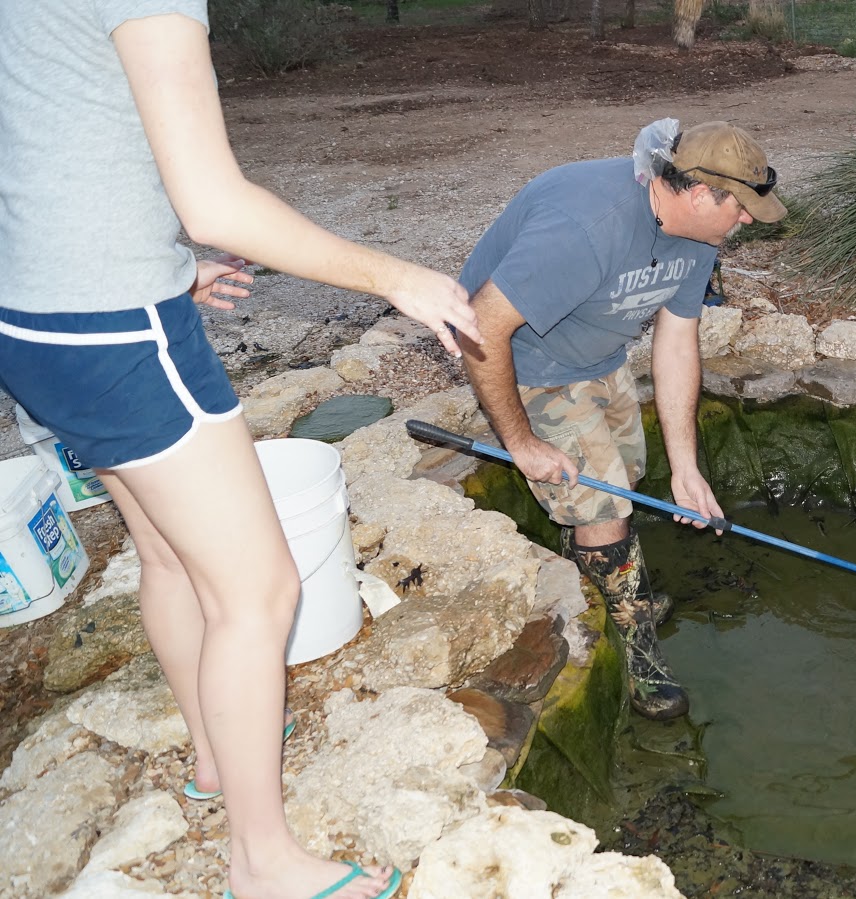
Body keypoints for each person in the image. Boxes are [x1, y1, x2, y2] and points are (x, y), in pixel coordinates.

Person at [0, 6, 479, 899]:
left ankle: (216, 756)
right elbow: (215, 203)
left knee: (167, 553)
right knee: (259, 591)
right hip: (118, 331)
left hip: (35, 322)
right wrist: (398, 277)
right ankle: (262, 863)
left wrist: (163, 264)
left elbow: (49, 132)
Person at [457, 119, 786, 720]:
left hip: (599, 356)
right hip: (530, 362)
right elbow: (479, 328)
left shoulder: (699, 236)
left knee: (623, 480)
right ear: (699, 193)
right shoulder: (587, 227)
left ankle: (595, 586)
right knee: (605, 509)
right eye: (740, 208)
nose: (745, 221)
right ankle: (638, 649)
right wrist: (522, 443)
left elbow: (677, 340)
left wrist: (685, 468)